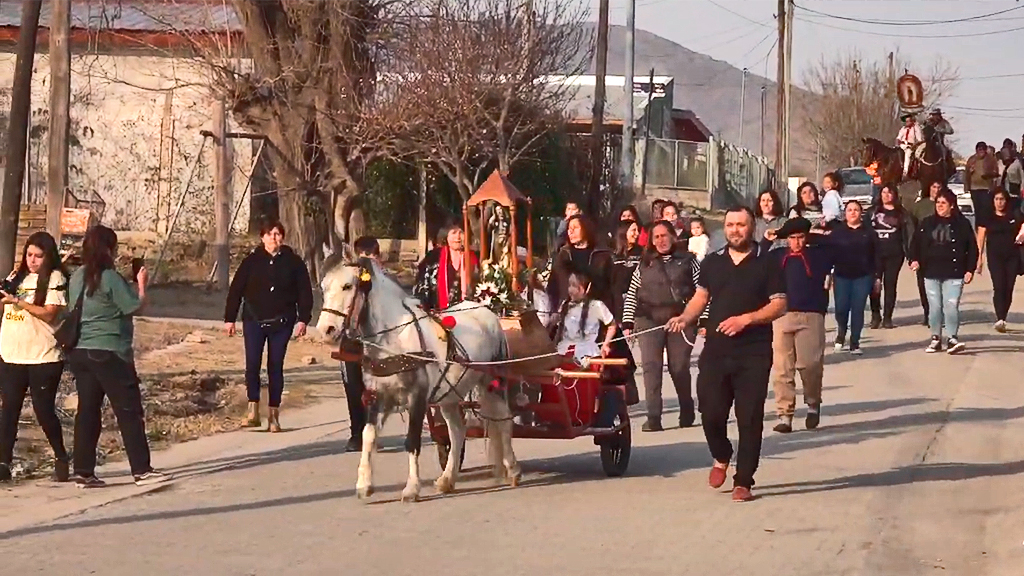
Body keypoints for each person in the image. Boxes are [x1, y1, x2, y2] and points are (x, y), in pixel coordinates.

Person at [666, 206, 787, 503]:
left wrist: (746, 319)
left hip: (753, 353)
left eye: (741, 225)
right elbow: (701, 297)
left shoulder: (768, 262)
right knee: (710, 411)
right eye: (730, 225)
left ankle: (744, 480)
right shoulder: (712, 262)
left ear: (752, 227)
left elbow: (779, 304)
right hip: (716, 351)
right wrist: (685, 317)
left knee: (749, 417)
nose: (735, 230)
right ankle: (721, 454)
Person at [67, 225, 168, 487]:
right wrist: (142, 285)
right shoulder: (109, 277)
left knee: (87, 412)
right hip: (110, 350)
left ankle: (83, 470)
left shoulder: (77, 276)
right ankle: (142, 470)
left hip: (81, 350)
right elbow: (133, 306)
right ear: (109, 249)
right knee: (128, 410)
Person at [224, 220, 313, 433]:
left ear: (282, 237)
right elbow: (236, 291)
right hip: (254, 320)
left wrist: (303, 319)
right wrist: (229, 319)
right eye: (270, 234)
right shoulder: (251, 262)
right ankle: (253, 409)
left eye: (278, 234)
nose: (274, 237)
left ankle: (274, 415)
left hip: (282, 322)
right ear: (262, 237)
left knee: (275, 366)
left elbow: (304, 292)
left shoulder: (294, 263)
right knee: (252, 364)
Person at [0, 232, 70, 483]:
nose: (32, 260)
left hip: (43, 356)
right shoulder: (15, 277)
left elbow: (49, 313)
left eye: (38, 256)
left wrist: (18, 301)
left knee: (43, 410)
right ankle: (3, 462)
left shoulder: (55, 278)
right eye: (29, 255)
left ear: (48, 256)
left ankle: (61, 457)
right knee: (8, 411)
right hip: (11, 353)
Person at [621, 221, 701, 431]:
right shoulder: (644, 263)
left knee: (679, 366)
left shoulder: (688, 260)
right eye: (656, 237)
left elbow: (703, 291)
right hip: (648, 317)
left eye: (665, 235)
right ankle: (654, 417)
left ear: (673, 236)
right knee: (651, 367)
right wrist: (628, 321)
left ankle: (686, 408)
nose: (661, 240)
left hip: (681, 317)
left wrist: (703, 319)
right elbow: (632, 293)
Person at [770, 218, 833, 434]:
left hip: (811, 314)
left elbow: (833, 244)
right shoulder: (778, 257)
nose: (796, 242)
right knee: (782, 368)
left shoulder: (817, 255)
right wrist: (775, 235)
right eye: (792, 238)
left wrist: (810, 233)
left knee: (810, 365)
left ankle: (813, 403)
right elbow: (757, 256)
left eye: (800, 237)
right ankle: (784, 414)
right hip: (782, 315)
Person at [909, 190, 978, 354]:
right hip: (931, 271)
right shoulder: (927, 223)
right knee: (934, 307)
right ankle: (935, 338)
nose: (939, 206)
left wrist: (970, 269)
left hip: (954, 271)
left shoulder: (962, 224)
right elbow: (915, 244)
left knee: (951, 305)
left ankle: (952, 337)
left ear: (951, 205)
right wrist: (914, 259)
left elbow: (972, 248)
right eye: (938, 202)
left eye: (943, 203)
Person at [340, 236, 380, 452]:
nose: (366, 262)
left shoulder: (385, 282)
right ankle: (356, 432)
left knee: (376, 389)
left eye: (371, 257)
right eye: (362, 257)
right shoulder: (348, 281)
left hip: (378, 342)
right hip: (352, 340)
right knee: (353, 386)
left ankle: (373, 430)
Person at [829, 201, 878, 354]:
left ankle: (855, 342)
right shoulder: (837, 232)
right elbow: (829, 255)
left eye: (856, 210)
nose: (853, 213)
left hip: (863, 276)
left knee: (858, 309)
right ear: (845, 213)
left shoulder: (869, 233)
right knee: (841, 308)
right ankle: (841, 334)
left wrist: (877, 277)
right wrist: (828, 274)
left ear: (861, 213)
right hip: (841, 276)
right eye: (849, 210)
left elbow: (877, 256)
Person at [976, 189, 1023, 333]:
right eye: (996, 199)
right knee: (999, 285)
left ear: (1006, 201)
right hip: (995, 256)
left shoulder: (1014, 215)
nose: (999, 202)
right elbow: (981, 237)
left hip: (1012, 256)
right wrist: (979, 258)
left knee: (1008, 287)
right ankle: (1000, 317)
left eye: (1002, 199)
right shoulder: (988, 216)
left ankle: (1004, 315)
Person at [869, 184, 914, 330]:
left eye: (890, 192)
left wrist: (910, 255)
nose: (887, 195)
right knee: (874, 285)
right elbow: (865, 230)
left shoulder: (902, 213)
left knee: (890, 284)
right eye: (884, 192)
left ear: (895, 195)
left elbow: (909, 234)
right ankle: (876, 315)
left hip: (894, 253)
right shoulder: (873, 211)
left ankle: (888, 317)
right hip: (875, 253)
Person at [553, 271, 616, 363]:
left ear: (587, 288)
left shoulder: (596, 305)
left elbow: (612, 325)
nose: (571, 290)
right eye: (569, 285)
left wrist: (606, 344)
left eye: (574, 286)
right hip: (565, 352)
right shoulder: (565, 305)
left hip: (587, 353)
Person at [414, 223, 478, 311]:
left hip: (469, 312)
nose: (458, 237)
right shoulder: (434, 256)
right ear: (446, 236)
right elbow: (422, 284)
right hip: (437, 312)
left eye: (461, 232)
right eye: (454, 233)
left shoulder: (473, 257)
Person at [910, 181, 944, 326]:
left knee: (941, 284)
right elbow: (912, 229)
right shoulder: (919, 206)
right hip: (923, 250)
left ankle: (939, 313)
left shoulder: (946, 204)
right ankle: (927, 312)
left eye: (939, 187)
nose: (936, 190)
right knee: (923, 284)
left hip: (942, 250)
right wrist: (912, 254)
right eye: (933, 187)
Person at [611, 219, 643, 319]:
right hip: (616, 303)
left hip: (636, 303)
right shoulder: (611, 254)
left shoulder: (642, 252)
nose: (637, 234)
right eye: (633, 230)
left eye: (638, 230)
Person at [965, 141, 1000, 227]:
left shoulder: (990, 159)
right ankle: (978, 231)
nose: (981, 151)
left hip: (986, 188)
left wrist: (988, 174)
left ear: (985, 150)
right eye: (979, 149)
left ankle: (986, 230)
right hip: (974, 188)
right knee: (977, 211)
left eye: (983, 149)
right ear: (976, 150)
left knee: (986, 211)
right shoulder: (971, 159)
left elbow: (996, 172)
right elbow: (966, 174)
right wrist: (966, 187)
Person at [896, 113, 925, 180]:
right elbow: (899, 137)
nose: (907, 123)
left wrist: (914, 145)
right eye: (906, 121)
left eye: (908, 121)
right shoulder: (903, 128)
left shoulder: (916, 128)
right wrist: (897, 142)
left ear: (912, 121)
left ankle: (905, 172)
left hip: (911, 146)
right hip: (902, 145)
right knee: (895, 152)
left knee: (908, 154)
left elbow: (920, 139)